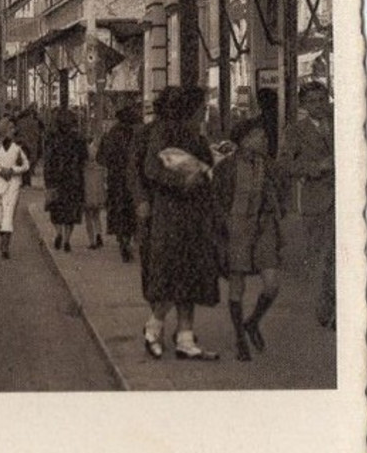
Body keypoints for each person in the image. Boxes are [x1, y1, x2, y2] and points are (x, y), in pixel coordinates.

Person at [137, 86, 230, 361]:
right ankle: (154, 328)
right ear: (187, 108)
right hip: (172, 215)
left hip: (195, 216)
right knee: (173, 274)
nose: (205, 110)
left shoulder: (195, 135)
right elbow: (152, 169)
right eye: (201, 106)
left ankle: (185, 338)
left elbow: (206, 166)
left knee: (191, 275)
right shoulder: (163, 133)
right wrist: (183, 180)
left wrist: (214, 162)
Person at [216, 116, 287, 361]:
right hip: (235, 227)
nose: (265, 140)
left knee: (272, 283)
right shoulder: (226, 167)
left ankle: (253, 321)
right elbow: (216, 201)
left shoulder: (268, 165)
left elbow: (281, 187)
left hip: (263, 225)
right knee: (237, 285)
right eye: (259, 136)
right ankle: (239, 338)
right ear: (245, 140)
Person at [282, 81, 335, 329]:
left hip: (346, 199)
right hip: (316, 200)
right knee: (321, 256)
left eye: (322, 100)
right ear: (304, 105)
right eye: (312, 101)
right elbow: (285, 166)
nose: (319, 106)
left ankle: (340, 308)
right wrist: (315, 168)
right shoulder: (295, 131)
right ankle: (324, 309)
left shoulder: (342, 122)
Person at [95, 103, 143, 262]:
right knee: (131, 210)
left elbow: (101, 157)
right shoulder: (137, 133)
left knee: (117, 209)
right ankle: (128, 239)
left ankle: (122, 239)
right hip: (133, 179)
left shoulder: (111, 134)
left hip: (115, 179)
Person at [43, 109, 88, 252]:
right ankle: (67, 239)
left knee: (55, 210)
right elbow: (84, 158)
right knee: (71, 211)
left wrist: (48, 179)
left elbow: (48, 159)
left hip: (56, 179)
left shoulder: (52, 138)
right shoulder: (79, 139)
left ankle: (58, 233)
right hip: (74, 179)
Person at [0, 126, 31, 259]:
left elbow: (26, 165)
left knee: (8, 215)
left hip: (12, 184)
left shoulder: (19, 148)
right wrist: (0, 170)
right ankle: (3, 232)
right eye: (7, 130)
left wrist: (13, 170)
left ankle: (5, 246)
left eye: (12, 130)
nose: (10, 132)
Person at [15, 105, 44, 188]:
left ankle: (25, 181)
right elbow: (38, 134)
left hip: (23, 144)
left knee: (23, 162)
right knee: (29, 162)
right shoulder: (35, 122)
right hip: (32, 144)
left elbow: (16, 132)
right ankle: (28, 181)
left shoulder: (20, 122)